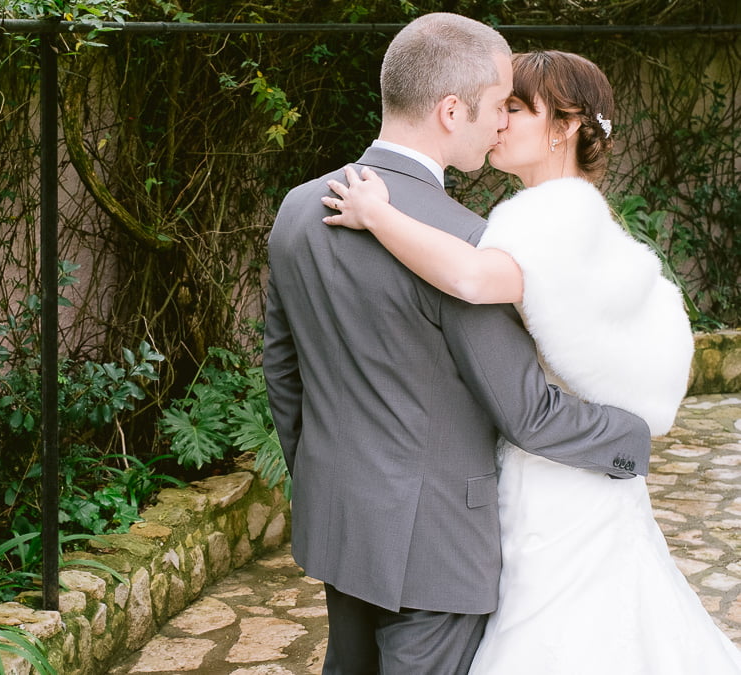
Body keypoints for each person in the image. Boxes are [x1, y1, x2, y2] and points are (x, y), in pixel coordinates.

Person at [322, 50, 741, 673]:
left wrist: (378, 215)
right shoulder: (567, 210)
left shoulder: (556, 212)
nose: (498, 122)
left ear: (565, 126)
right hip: (557, 467)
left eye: (515, 108)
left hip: (555, 472)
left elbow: (470, 278)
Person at [263, 15, 652, 675]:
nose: (502, 122)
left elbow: (283, 373)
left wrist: (333, 481)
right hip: (437, 547)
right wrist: (632, 442)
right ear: (451, 110)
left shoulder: (298, 208)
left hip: (340, 522)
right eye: (499, 104)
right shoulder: (468, 243)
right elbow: (528, 414)